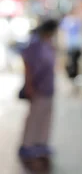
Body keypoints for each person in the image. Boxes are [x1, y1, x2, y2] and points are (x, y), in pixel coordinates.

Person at [18, 19, 59, 171]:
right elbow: (28, 65)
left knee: (45, 118)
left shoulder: (48, 44)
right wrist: (29, 85)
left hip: (48, 87)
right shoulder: (35, 45)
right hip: (37, 88)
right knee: (34, 117)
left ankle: (41, 143)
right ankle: (28, 145)